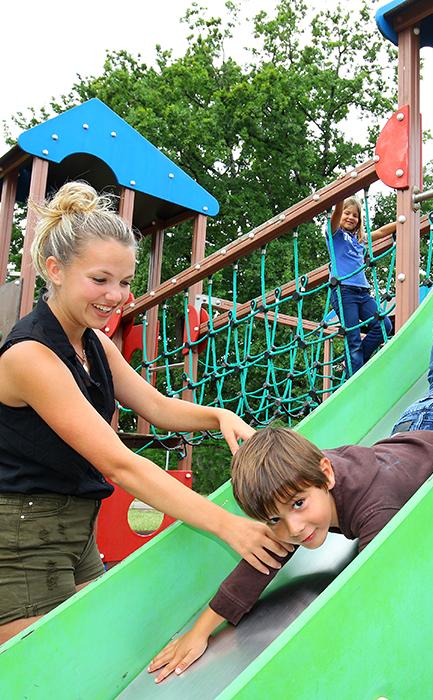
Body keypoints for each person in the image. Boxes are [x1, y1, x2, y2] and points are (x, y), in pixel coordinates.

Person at [0, 182, 292, 645]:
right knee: (36, 668)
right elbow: (119, 462)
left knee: (87, 651)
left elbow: (155, 406)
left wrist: (218, 415)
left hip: (75, 526)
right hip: (22, 533)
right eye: (100, 280)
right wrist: (227, 524)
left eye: (125, 281)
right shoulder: (30, 356)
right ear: (54, 270)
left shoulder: (92, 343)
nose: (116, 295)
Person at [150, 287, 433, 682]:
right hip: (405, 435)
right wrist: (199, 630)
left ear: (326, 474)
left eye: (297, 505)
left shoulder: (375, 507)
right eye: (275, 520)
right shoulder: (299, 483)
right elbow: (259, 561)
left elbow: (379, 586)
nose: (292, 528)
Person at [327, 198, 394, 375]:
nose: (350, 217)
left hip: (363, 292)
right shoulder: (334, 235)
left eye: (355, 215)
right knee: (353, 338)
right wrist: (341, 196)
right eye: (347, 213)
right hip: (343, 291)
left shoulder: (360, 239)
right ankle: (354, 375)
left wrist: (404, 219)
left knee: (384, 325)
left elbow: (380, 232)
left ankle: (350, 364)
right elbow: (334, 216)